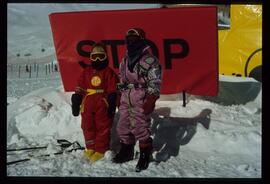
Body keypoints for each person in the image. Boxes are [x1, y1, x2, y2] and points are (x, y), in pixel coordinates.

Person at [112, 28, 162, 172]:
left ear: (141, 39)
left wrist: (151, 99)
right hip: (126, 96)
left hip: (141, 96)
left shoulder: (149, 60)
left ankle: (145, 154)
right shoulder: (125, 60)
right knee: (122, 126)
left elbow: (155, 80)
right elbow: (121, 78)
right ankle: (126, 152)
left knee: (140, 127)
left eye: (134, 38)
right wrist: (117, 94)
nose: (131, 41)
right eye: (128, 38)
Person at [71, 43, 118, 162]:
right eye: (95, 57)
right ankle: (91, 147)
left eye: (100, 57)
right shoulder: (86, 72)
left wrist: (112, 102)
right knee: (87, 126)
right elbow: (80, 86)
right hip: (87, 104)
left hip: (102, 103)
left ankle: (101, 150)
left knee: (102, 127)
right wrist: (76, 99)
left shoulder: (109, 72)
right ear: (91, 58)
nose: (97, 60)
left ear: (105, 57)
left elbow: (113, 89)